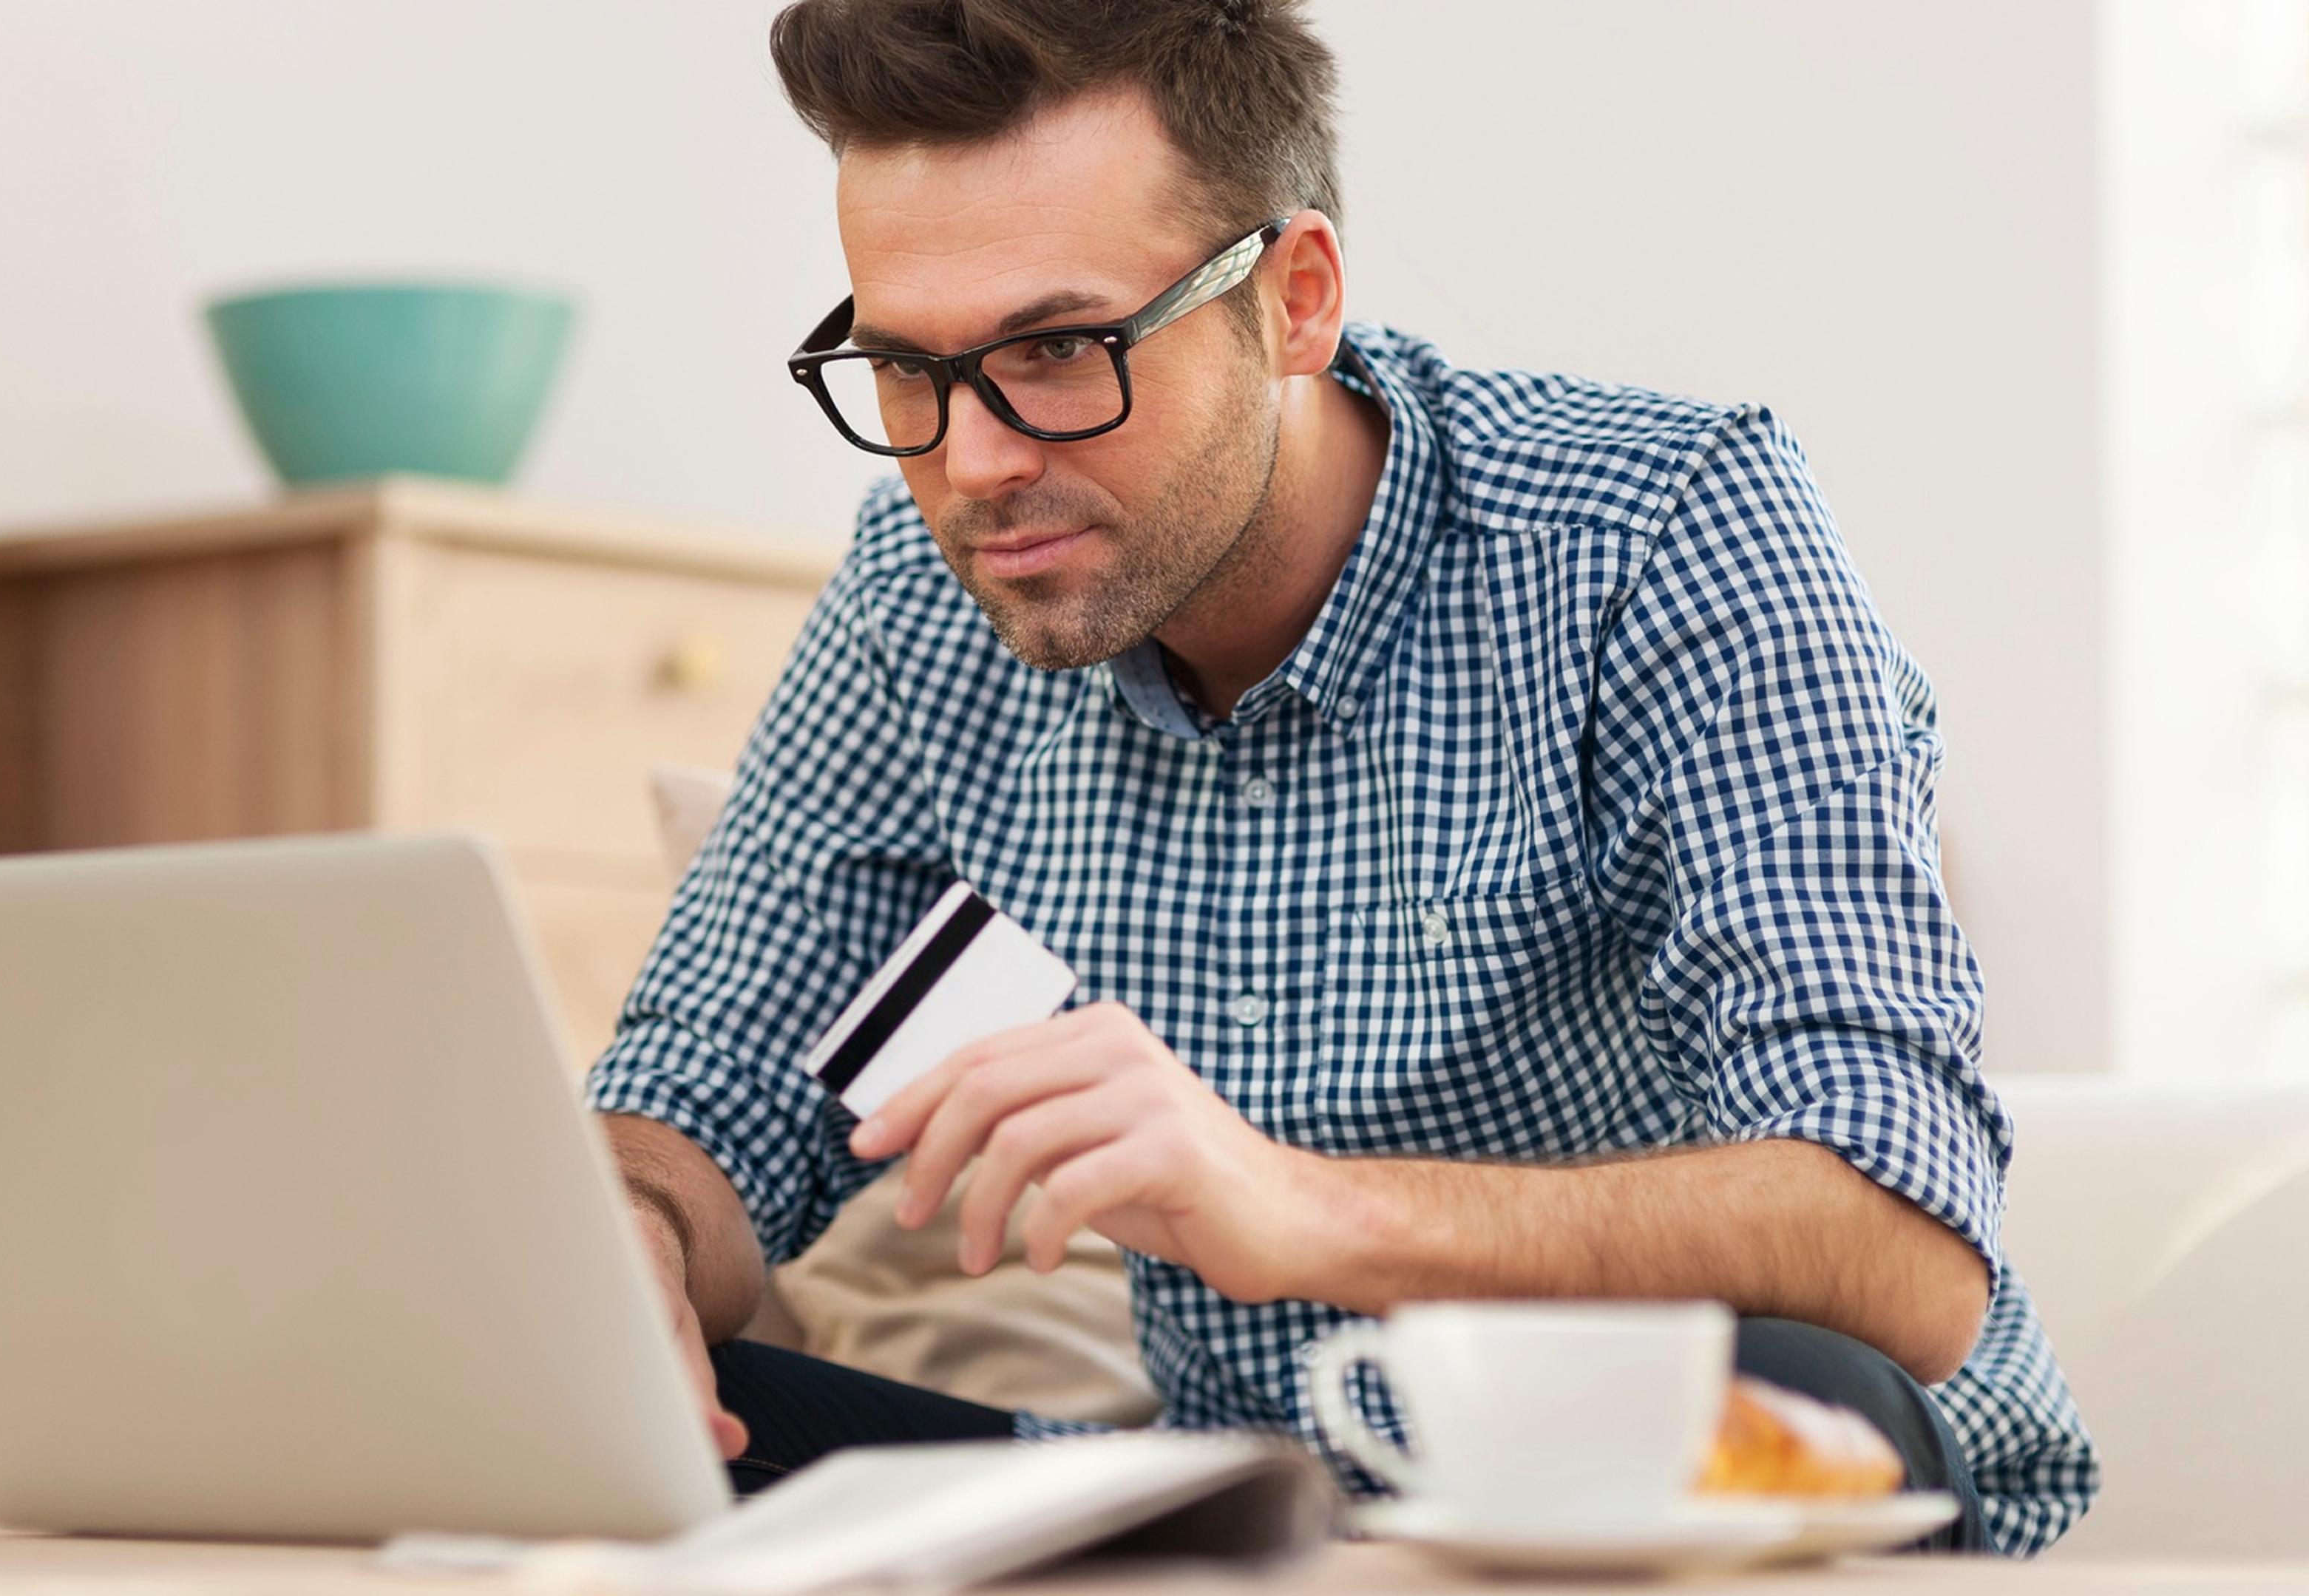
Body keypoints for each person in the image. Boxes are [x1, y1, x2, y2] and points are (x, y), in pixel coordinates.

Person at [588, 0, 2097, 1556]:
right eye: (908, 369)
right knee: (628, 1439)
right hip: (1257, 1519)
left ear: (1296, 300)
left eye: (1057, 351)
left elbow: (1902, 1244)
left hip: (1752, 1480)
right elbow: (703, 1091)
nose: (971, 466)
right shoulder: (923, 599)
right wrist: (623, 1241)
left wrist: (1300, 1205)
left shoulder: (1661, 535)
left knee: (1764, 1380)